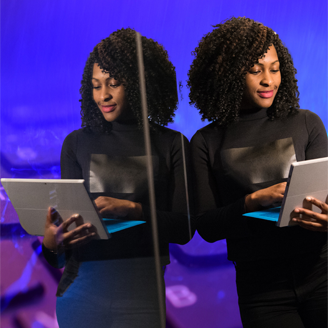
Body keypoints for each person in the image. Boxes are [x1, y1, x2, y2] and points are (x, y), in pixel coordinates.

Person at [42, 28, 192, 328]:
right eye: (96, 86)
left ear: (139, 84)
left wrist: (132, 210)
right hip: (79, 289)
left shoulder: (172, 144)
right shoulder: (75, 144)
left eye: (114, 84)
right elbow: (65, 242)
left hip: (143, 293)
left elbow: (184, 228)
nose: (103, 96)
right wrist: (51, 244)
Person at [188, 17, 328, 328]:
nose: (268, 80)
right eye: (255, 70)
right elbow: (207, 228)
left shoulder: (308, 123)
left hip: (322, 274)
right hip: (261, 292)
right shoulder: (205, 142)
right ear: (227, 74)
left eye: (274, 68)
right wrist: (252, 201)